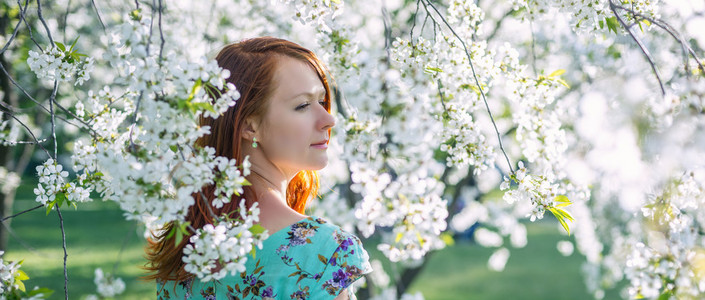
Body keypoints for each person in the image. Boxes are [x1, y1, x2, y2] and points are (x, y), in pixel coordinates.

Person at [144, 37, 372, 299]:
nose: (328, 119)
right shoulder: (323, 251)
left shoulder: (184, 248)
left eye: (322, 101)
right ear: (249, 125)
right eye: (302, 105)